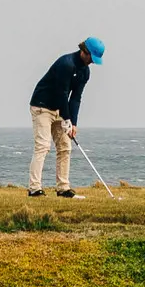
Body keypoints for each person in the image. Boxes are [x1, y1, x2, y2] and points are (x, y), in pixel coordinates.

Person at [28, 38, 104, 196]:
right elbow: (62, 94)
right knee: (43, 146)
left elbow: (75, 98)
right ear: (84, 52)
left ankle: (63, 188)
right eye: (91, 58)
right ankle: (34, 188)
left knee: (65, 147)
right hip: (42, 106)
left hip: (59, 109)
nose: (92, 62)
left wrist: (73, 123)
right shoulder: (66, 64)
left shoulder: (85, 72)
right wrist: (67, 119)